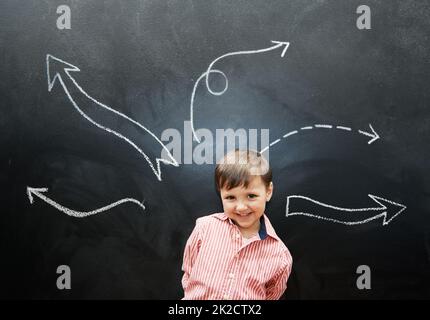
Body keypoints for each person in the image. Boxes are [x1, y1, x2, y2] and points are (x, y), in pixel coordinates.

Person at [181, 149, 293, 300]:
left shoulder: (280, 256)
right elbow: (189, 273)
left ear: (268, 191)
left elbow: (272, 295)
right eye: (230, 197)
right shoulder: (204, 228)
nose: (241, 207)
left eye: (251, 196)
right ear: (220, 194)